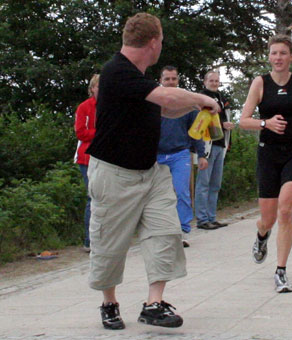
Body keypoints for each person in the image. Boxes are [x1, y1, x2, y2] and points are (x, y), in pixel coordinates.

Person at [85, 13, 220, 331]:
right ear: (154, 42)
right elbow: (166, 96)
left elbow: (167, 106)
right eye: (162, 40)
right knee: (110, 243)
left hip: (150, 172)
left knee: (166, 232)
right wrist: (202, 97)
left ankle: (153, 304)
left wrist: (196, 108)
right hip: (114, 174)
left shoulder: (140, 78)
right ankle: (109, 303)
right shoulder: (116, 71)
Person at [239, 34, 292, 293]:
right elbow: (243, 120)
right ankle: (262, 236)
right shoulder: (260, 83)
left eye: (283, 53)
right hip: (268, 153)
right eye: (274, 53)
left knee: (285, 211)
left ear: (291, 56)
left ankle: (281, 272)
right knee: (268, 218)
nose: (278, 58)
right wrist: (266, 123)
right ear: (269, 56)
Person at [157, 65, 208, 247]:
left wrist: (201, 155)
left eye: (174, 79)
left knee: (182, 193)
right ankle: (161, 232)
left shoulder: (187, 103)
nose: (170, 82)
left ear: (178, 80)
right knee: (158, 197)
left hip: (180, 154)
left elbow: (196, 131)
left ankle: (183, 230)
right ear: (160, 81)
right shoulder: (154, 102)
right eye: (167, 79)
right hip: (157, 156)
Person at [194, 70, 235, 230]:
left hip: (220, 144)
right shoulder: (200, 98)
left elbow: (225, 118)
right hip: (206, 145)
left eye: (217, 81)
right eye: (211, 81)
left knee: (215, 184)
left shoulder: (223, 99)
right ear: (205, 82)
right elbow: (200, 120)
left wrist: (227, 128)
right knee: (203, 183)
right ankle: (202, 219)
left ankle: (211, 217)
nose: (214, 83)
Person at [74, 74, 99, 253]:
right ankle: (89, 240)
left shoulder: (113, 105)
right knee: (93, 198)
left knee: (110, 198)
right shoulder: (84, 107)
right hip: (87, 158)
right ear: (92, 89)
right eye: (99, 86)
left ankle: (107, 238)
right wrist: (102, 132)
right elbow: (81, 132)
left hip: (109, 157)